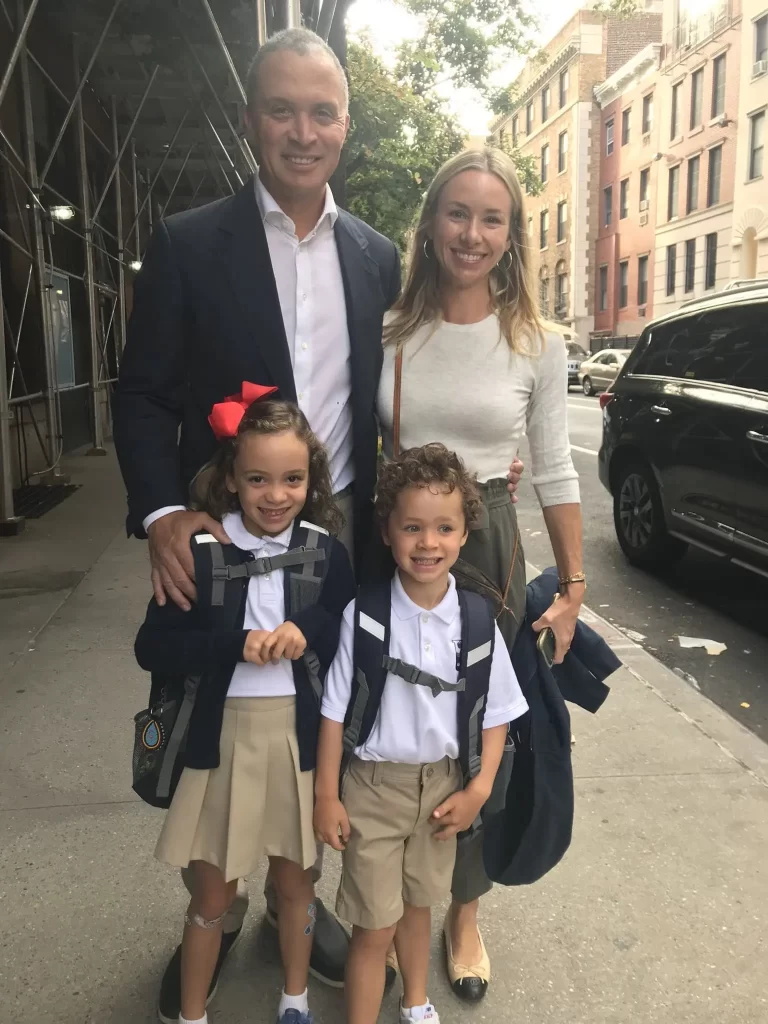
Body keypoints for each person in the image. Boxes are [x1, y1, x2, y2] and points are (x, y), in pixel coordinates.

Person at [113, 26, 400, 1018]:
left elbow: (389, 400)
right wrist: (159, 511)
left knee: (321, 730)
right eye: (283, 109)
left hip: (337, 545)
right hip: (218, 544)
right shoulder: (191, 243)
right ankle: (212, 901)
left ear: (346, 126)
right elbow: (143, 392)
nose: (303, 130)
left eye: (323, 111)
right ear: (251, 122)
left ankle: (296, 893)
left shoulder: (376, 255)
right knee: (209, 726)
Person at [377, 147, 584, 1002]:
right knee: (389, 727)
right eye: (457, 213)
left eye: (491, 218)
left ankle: (464, 909)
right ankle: (395, 901)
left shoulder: (538, 342)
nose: (472, 232)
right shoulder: (389, 331)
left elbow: (556, 468)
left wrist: (572, 590)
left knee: (477, 733)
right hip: (395, 543)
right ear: (429, 224)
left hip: (490, 547)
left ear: (512, 235)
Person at [134, 394, 356, 1024]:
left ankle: (294, 999)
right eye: (258, 478)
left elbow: (342, 625)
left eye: (293, 479)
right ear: (231, 476)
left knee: (296, 886)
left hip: (296, 738)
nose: (276, 495)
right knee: (211, 892)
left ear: (312, 480)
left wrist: (306, 629)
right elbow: (153, 647)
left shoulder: (323, 553)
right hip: (220, 741)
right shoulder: (200, 550)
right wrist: (235, 644)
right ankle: (193, 1012)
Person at [314, 444, 529, 1024]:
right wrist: (327, 796)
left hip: (442, 790)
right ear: (387, 531)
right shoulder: (365, 615)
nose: (427, 543)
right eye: (412, 527)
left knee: (418, 908)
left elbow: (497, 711)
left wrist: (479, 789)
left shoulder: (479, 619)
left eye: (443, 528)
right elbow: (334, 711)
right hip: (373, 790)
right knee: (372, 926)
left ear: (464, 534)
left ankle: (415, 1003)